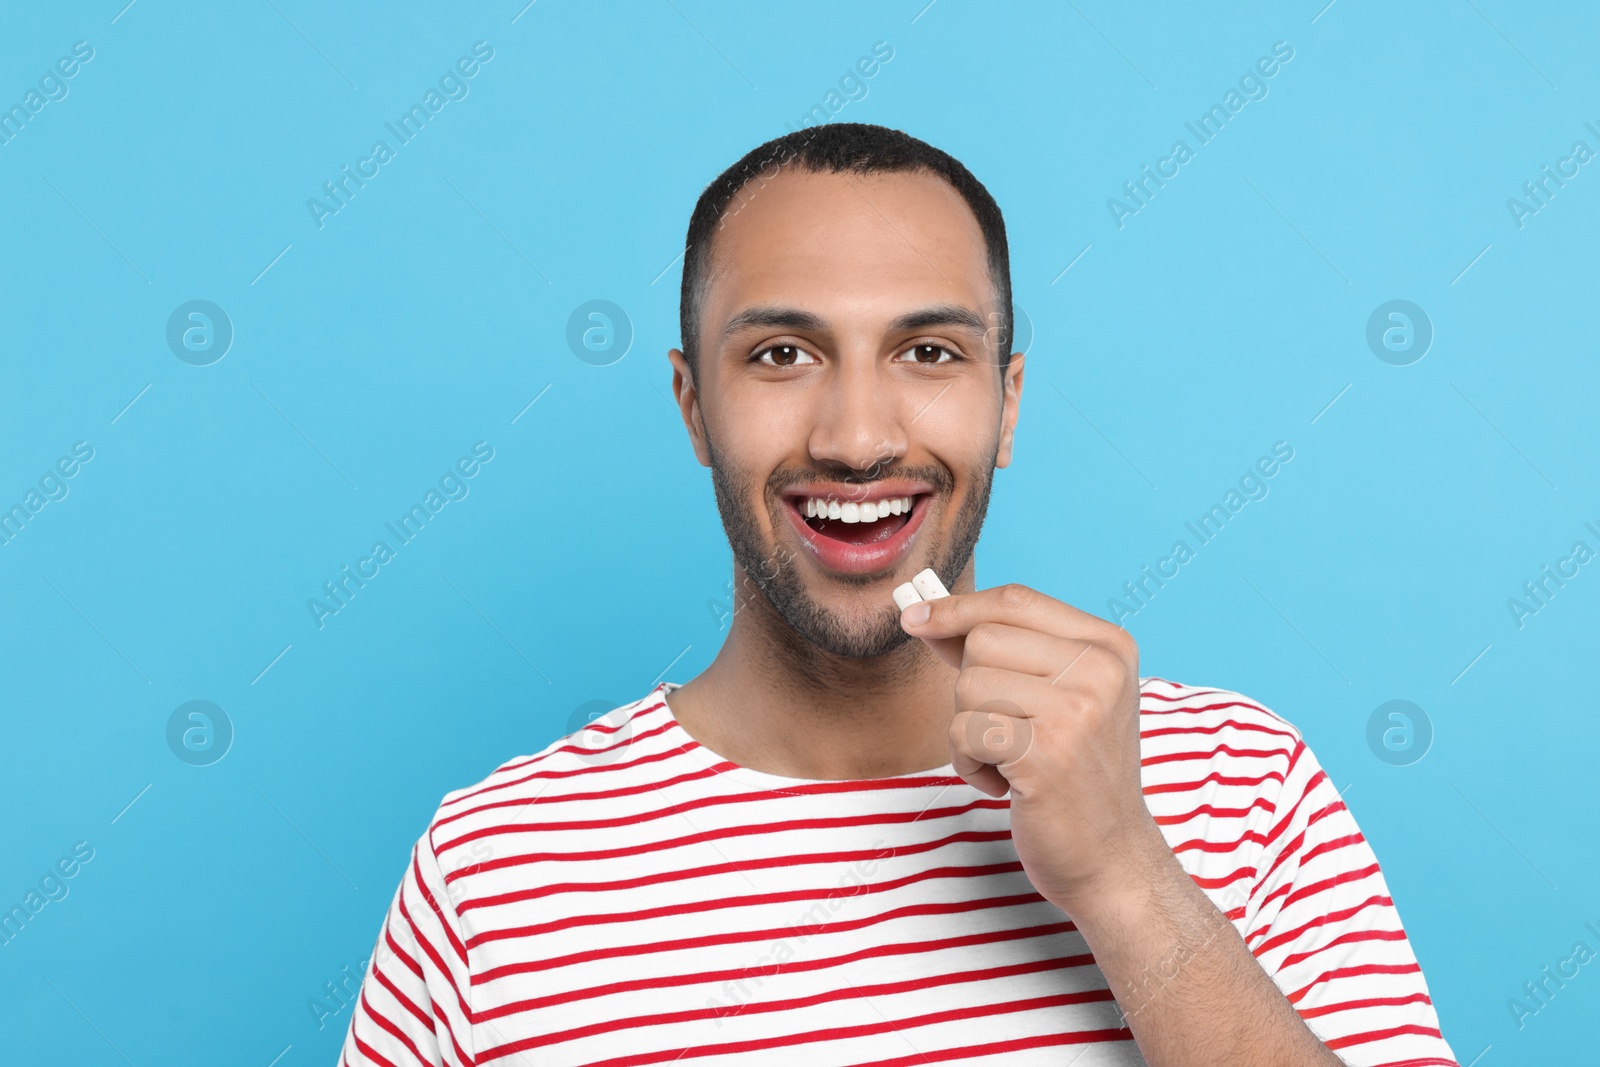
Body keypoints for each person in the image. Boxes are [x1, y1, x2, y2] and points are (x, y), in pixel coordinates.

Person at [339, 123, 1458, 1066]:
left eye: (928, 351)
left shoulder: (1238, 787)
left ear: (1007, 403)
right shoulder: (497, 862)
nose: (859, 439)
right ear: (691, 407)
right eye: (781, 354)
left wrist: (1123, 874)